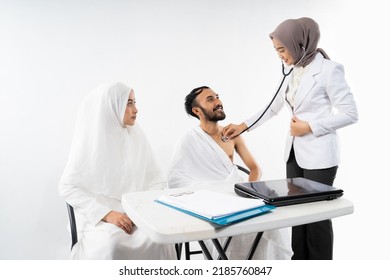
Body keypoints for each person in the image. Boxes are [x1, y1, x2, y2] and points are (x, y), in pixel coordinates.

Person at [222, 17, 358, 260]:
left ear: (299, 43)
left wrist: (310, 126)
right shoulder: (292, 70)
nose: (280, 56)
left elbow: (350, 113)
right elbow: (273, 106)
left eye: (282, 49)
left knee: (317, 217)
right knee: (296, 213)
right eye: (276, 51)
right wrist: (242, 126)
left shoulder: (329, 69)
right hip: (294, 153)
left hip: (320, 155)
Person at [168, 86, 293, 260]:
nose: (218, 102)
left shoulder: (232, 134)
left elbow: (255, 168)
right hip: (209, 198)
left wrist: (250, 190)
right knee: (228, 229)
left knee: (273, 224)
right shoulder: (188, 140)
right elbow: (175, 178)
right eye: (210, 99)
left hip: (238, 192)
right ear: (196, 110)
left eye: (217, 97)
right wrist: (201, 195)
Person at [58, 82, 176, 260]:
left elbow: (157, 180)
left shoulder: (136, 135)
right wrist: (107, 214)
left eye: (134, 102)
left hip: (138, 214)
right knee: (112, 246)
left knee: (159, 240)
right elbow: (67, 187)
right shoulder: (89, 142)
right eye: (129, 103)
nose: (135, 109)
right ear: (111, 106)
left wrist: (140, 209)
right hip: (101, 220)